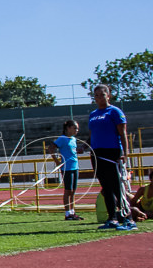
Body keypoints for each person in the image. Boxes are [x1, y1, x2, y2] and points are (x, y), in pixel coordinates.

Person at [88, 84, 136, 231]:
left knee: (117, 187)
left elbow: (123, 133)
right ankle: (112, 218)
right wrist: (86, 146)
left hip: (112, 152)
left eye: (102, 95)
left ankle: (129, 219)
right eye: (96, 95)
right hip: (97, 153)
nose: (99, 98)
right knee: (106, 187)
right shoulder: (93, 114)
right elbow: (93, 135)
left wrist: (124, 153)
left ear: (108, 96)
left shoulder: (114, 111)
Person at [50, 120, 83, 221]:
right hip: (67, 168)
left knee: (73, 191)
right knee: (68, 190)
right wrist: (57, 161)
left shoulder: (73, 139)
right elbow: (51, 148)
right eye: (74, 128)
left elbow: (71, 151)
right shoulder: (62, 139)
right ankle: (67, 213)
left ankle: (72, 212)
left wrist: (78, 151)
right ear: (68, 128)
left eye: (77, 128)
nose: (77, 130)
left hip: (75, 166)